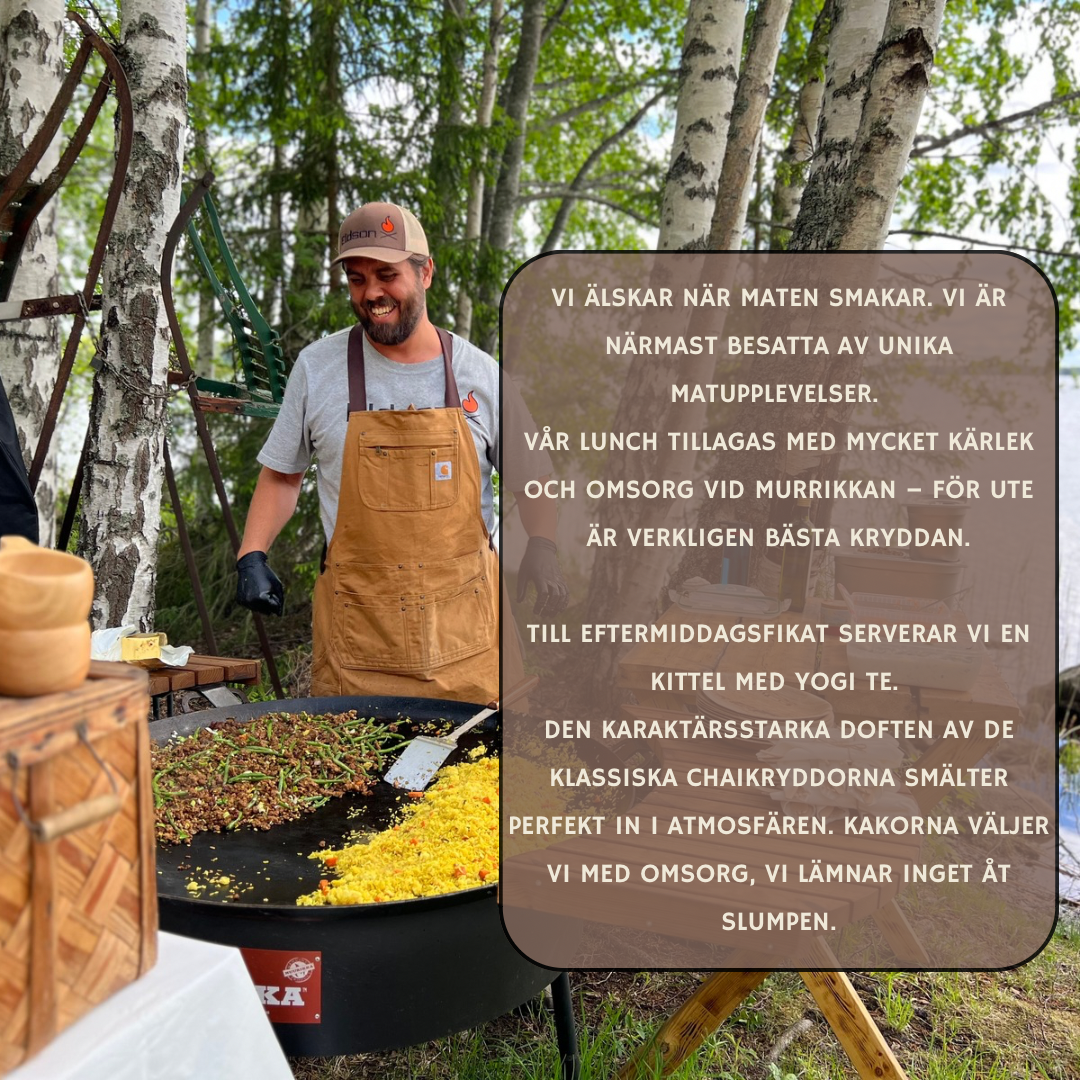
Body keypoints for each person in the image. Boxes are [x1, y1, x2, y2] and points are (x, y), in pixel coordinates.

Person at [235, 201, 567, 703]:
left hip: (467, 641)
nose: (371, 294)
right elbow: (284, 476)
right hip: (359, 642)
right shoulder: (317, 368)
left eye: (386, 275)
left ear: (425, 271)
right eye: (356, 279)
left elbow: (535, 476)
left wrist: (543, 546)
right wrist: (251, 555)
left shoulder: (482, 376)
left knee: (469, 779)